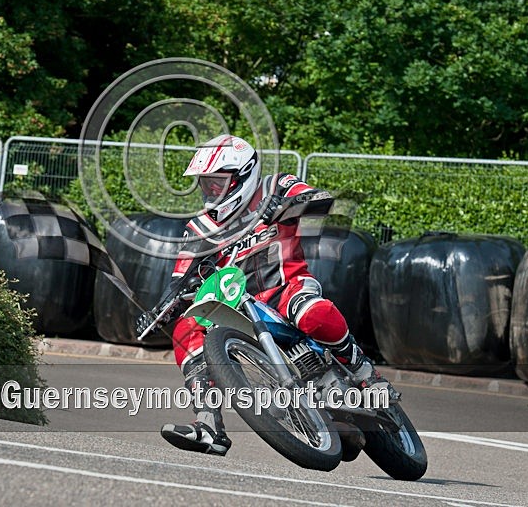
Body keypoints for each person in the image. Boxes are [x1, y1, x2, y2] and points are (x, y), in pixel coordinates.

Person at [136, 134, 385, 456]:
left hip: (287, 286)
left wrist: (285, 205)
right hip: (238, 306)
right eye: (206, 184)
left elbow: (321, 201)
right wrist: (159, 310)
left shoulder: (275, 186)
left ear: (243, 175)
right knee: (186, 328)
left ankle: (364, 372)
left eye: (217, 182)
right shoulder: (198, 228)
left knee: (311, 311)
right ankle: (209, 425)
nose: (210, 191)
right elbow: (180, 278)